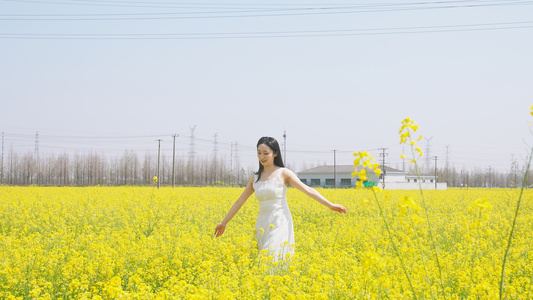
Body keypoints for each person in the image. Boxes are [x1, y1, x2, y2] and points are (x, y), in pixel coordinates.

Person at [214, 136, 347, 260]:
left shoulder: (283, 173)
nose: (262, 156)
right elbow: (239, 202)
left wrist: (330, 205)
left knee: (272, 257)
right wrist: (224, 222)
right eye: (259, 153)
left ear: (275, 153)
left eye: (266, 153)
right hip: (262, 223)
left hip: (280, 221)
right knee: (265, 259)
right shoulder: (255, 178)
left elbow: (307, 189)